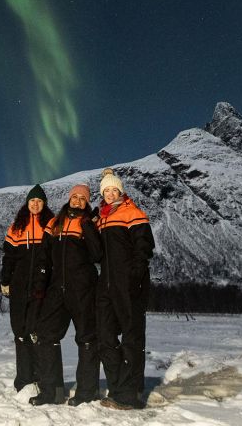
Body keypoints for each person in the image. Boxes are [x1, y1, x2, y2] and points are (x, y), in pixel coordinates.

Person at [29, 183, 103, 406]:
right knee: (45, 335)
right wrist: (41, 286)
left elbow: (97, 254)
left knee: (87, 339)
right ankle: (52, 391)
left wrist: (89, 226)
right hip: (56, 291)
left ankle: (87, 392)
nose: (78, 200)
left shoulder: (88, 223)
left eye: (83, 198)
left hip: (82, 290)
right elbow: (44, 258)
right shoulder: (54, 223)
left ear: (87, 202)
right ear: (69, 198)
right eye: (75, 196)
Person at [94, 168, 155, 410]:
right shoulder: (102, 218)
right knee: (105, 336)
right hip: (106, 283)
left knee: (131, 336)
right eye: (106, 190)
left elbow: (144, 246)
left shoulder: (132, 212)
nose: (109, 194)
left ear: (121, 191)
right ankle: (118, 386)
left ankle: (130, 393)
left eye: (113, 189)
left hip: (129, 281)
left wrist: (135, 275)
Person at [1, 184, 54, 392]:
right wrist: (5, 281)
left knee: (35, 332)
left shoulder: (50, 224)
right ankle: (23, 379)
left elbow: (53, 258)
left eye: (39, 201)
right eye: (32, 201)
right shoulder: (17, 226)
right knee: (19, 332)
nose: (35, 204)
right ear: (27, 203)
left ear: (44, 204)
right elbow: (9, 258)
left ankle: (39, 378)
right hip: (19, 287)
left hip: (41, 287)